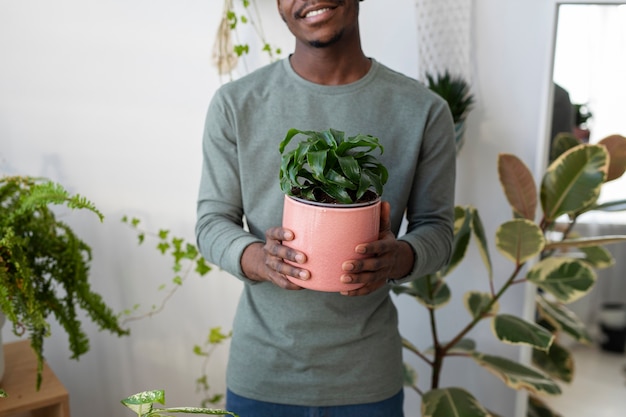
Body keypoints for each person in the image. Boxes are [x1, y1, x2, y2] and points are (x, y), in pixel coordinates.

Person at [195, 1, 456, 416]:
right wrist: (261, 260)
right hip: (263, 376)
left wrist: (397, 258)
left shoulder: (423, 110)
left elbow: (438, 230)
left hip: (368, 382)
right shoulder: (236, 104)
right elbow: (212, 223)